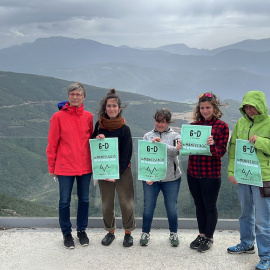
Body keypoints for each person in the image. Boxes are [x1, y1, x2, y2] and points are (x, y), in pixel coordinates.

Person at [46, 82, 93, 249]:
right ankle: (66, 234)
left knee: (84, 200)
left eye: (78, 94)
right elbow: (52, 144)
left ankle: (81, 231)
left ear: (83, 97)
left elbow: (91, 140)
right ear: (68, 96)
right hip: (65, 166)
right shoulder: (57, 117)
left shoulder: (88, 116)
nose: (75, 97)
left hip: (85, 166)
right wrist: (52, 167)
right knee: (64, 201)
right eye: (72, 94)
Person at [227, 91, 270, 270]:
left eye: (252, 106)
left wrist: (259, 141)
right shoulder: (240, 123)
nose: (249, 110)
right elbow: (233, 148)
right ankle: (246, 243)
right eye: (246, 106)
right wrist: (231, 170)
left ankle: (266, 256)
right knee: (245, 213)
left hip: (263, 178)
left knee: (263, 220)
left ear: (260, 106)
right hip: (243, 175)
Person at [186, 92, 229, 252]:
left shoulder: (222, 126)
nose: (205, 111)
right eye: (202, 108)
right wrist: (183, 144)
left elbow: (220, 152)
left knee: (210, 206)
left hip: (211, 174)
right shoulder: (194, 126)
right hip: (193, 173)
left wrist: (211, 144)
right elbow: (188, 150)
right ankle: (202, 234)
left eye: (208, 107)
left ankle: (209, 237)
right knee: (199, 206)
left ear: (214, 108)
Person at [93, 89, 135, 247]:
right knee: (107, 202)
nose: (111, 108)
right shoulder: (99, 125)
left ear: (119, 108)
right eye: (109, 106)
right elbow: (93, 144)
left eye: (114, 106)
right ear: (105, 108)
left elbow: (127, 153)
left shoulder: (125, 129)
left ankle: (128, 233)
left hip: (123, 170)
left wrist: (116, 173)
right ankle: (110, 231)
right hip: (104, 170)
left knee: (127, 202)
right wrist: (96, 138)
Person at [140, 108, 182, 247]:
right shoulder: (147, 136)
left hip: (171, 179)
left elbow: (176, 152)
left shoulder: (175, 135)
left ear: (168, 122)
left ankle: (173, 233)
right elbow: (143, 157)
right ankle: (145, 232)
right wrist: (145, 175)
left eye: (163, 122)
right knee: (148, 207)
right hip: (151, 178)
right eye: (158, 121)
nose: (160, 124)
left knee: (171, 207)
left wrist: (161, 145)